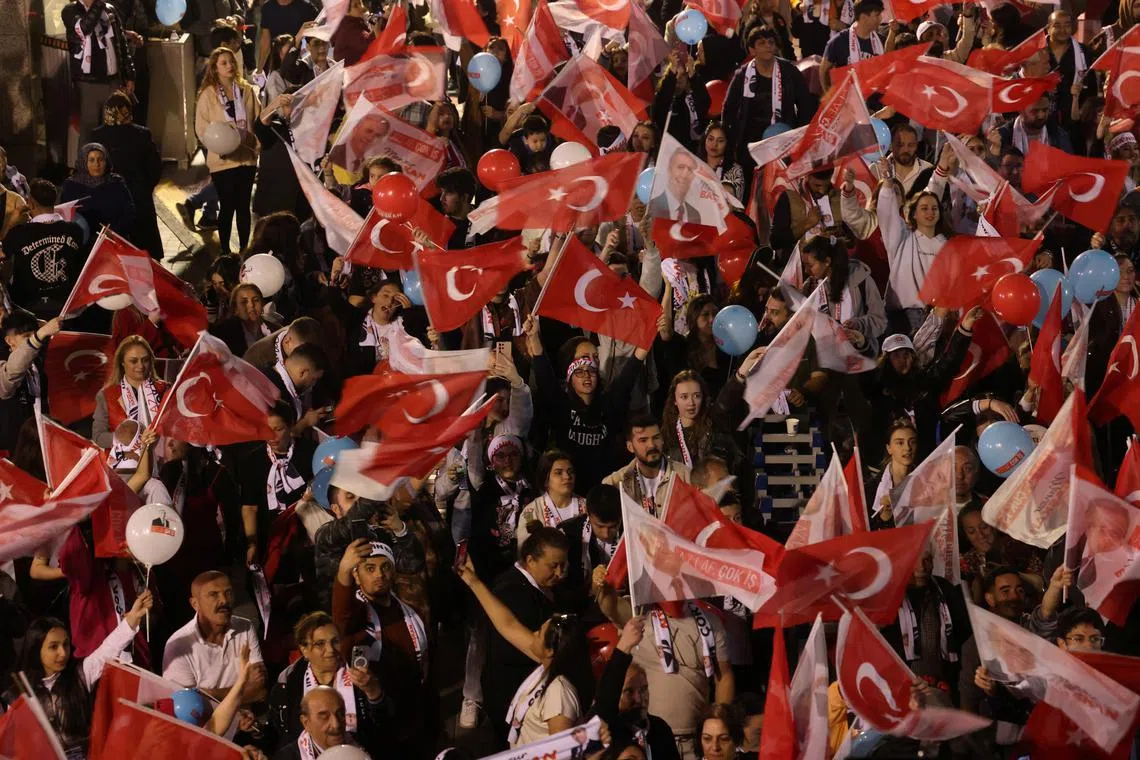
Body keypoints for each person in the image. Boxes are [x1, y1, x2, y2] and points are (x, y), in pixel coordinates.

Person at [456, 550, 591, 749]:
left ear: (550, 651)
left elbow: (564, 753)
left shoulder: (559, 695)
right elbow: (507, 624)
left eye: (539, 633)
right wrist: (472, 580)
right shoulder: (548, 668)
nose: (533, 633)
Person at [2, 594, 152, 758]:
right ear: (36, 650)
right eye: (53, 647)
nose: (63, 653)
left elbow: (108, 650)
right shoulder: (18, 695)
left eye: (65, 644)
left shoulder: (80, 675)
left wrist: (132, 619)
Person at [162, 571, 269, 704]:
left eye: (228, 593)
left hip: (247, 715)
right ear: (195, 604)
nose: (224, 600)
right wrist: (243, 688)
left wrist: (207, 693)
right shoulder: (178, 646)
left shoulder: (245, 628)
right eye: (214, 594)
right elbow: (186, 704)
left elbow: (260, 690)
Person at [195, 47, 262, 254]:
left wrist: (255, 143)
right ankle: (225, 252)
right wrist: (218, 143)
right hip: (222, 160)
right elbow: (201, 128)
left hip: (246, 157)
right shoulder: (208, 95)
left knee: (243, 206)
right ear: (215, 68)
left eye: (231, 61)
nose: (230, 66)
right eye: (223, 63)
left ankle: (243, 250)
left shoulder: (246, 90)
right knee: (227, 205)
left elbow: (258, 119)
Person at [723, 26, 816, 170]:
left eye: (771, 42)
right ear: (752, 50)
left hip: (783, 143)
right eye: (762, 43)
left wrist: (798, 136)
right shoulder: (742, 75)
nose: (768, 46)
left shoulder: (789, 72)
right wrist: (731, 144)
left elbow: (806, 105)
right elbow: (729, 110)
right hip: (750, 146)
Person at [90, 91, 163, 258]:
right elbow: (155, 167)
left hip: (108, 198)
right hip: (138, 198)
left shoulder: (97, 135)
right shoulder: (142, 134)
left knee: (113, 251)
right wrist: (144, 187)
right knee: (143, 248)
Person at [5, 181, 84, 321]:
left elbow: (2, 254)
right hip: (67, 310)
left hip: (27, 311)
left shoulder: (18, 233)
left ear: (30, 204)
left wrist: (12, 221)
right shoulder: (75, 230)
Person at [61, 0, 136, 144]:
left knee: (115, 131)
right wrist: (98, 4)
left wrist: (130, 75)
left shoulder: (110, 10)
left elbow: (121, 43)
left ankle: (112, 159)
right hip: (88, 83)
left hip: (113, 81)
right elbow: (84, 28)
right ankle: (87, 159)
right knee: (90, 132)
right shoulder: (71, 11)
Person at [604, 415, 692, 519]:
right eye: (643, 440)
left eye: (656, 438)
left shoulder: (685, 476)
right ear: (630, 447)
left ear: (662, 440)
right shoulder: (616, 483)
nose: (652, 445)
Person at [0, 313, 61, 456]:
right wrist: (39, 335)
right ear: (9, 340)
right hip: (13, 446)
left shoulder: (39, 361)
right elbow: (10, 377)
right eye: (27, 336)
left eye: (34, 335)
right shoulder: (3, 360)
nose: (34, 340)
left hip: (42, 437)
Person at [91, 334, 167, 449]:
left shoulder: (165, 389)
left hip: (160, 455)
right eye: (133, 361)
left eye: (145, 360)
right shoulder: (106, 395)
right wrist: (130, 439)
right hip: (125, 458)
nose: (140, 366)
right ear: (122, 362)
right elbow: (98, 437)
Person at [58, 143, 136, 238]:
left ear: (106, 161)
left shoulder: (116, 182)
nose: (96, 164)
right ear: (83, 162)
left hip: (112, 238)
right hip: (80, 240)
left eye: (100, 159)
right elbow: (63, 216)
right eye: (91, 160)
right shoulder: (71, 185)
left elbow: (129, 212)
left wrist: (114, 232)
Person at [517, 450, 586, 547]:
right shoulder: (531, 511)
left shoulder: (587, 506)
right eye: (559, 473)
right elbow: (525, 550)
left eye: (570, 472)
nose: (567, 476)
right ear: (545, 480)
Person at [819, 0, 885, 90]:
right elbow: (823, 70)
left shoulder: (881, 41)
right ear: (864, 17)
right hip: (847, 96)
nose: (881, 19)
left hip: (873, 96)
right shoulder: (839, 41)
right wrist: (829, 94)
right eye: (877, 15)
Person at [210, 283, 283, 357]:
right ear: (235, 309)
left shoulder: (277, 330)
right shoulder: (224, 333)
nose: (251, 305)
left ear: (262, 304)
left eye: (256, 300)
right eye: (244, 302)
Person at [648, 148, 701, 223]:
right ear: (669, 170)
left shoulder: (695, 214)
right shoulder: (652, 206)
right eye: (681, 167)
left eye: (690, 169)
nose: (685, 175)